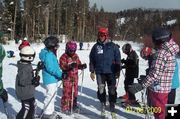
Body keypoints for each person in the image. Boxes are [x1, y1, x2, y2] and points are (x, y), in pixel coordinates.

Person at [129, 27, 179, 119]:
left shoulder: (161, 54)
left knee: (163, 111)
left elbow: (155, 73)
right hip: (167, 85)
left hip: (162, 87)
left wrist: (142, 84)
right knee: (166, 109)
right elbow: (160, 70)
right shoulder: (170, 51)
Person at [89, 27, 121, 118]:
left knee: (112, 90)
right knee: (101, 89)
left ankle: (112, 105)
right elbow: (92, 59)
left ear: (106, 35)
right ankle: (103, 104)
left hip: (111, 72)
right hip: (100, 72)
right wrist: (92, 71)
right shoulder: (96, 47)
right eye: (99, 35)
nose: (101, 37)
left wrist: (118, 70)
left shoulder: (113, 46)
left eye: (103, 35)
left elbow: (118, 58)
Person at [59, 40, 87, 114]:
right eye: (71, 50)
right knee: (67, 93)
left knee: (74, 93)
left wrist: (81, 66)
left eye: (74, 50)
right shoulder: (64, 56)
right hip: (67, 78)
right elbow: (62, 66)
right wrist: (69, 66)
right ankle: (65, 107)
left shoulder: (75, 56)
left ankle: (73, 106)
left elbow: (78, 64)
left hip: (75, 78)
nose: (72, 52)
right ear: (67, 49)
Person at [39, 36, 62, 119]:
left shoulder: (49, 53)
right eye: (55, 46)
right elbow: (50, 68)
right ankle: (47, 114)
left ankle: (50, 111)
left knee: (53, 96)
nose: (56, 47)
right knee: (50, 96)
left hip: (52, 78)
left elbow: (54, 66)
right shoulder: (48, 55)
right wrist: (60, 75)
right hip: (50, 79)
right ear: (51, 46)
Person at [15, 46, 39, 119]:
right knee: (26, 108)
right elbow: (22, 81)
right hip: (24, 93)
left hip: (28, 91)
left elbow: (29, 74)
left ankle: (30, 117)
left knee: (33, 105)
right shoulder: (23, 68)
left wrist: (38, 69)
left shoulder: (26, 64)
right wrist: (32, 81)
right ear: (29, 57)